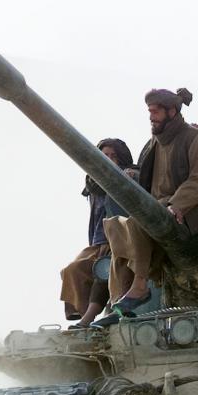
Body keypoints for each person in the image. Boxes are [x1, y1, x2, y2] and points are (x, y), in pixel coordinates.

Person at [102, 87, 198, 313]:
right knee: (115, 227)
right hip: (161, 206)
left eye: (155, 112)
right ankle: (117, 303)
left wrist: (177, 205)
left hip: (190, 215)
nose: (151, 117)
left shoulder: (194, 139)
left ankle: (140, 285)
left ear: (172, 112)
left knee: (139, 222)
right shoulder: (157, 141)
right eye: (149, 111)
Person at [60, 138, 134, 325]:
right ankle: (82, 315)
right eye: (104, 155)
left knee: (106, 268)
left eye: (113, 156)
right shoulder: (92, 184)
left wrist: (130, 174)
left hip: (121, 239)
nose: (108, 159)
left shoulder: (127, 176)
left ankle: (89, 318)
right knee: (72, 270)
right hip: (97, 241)